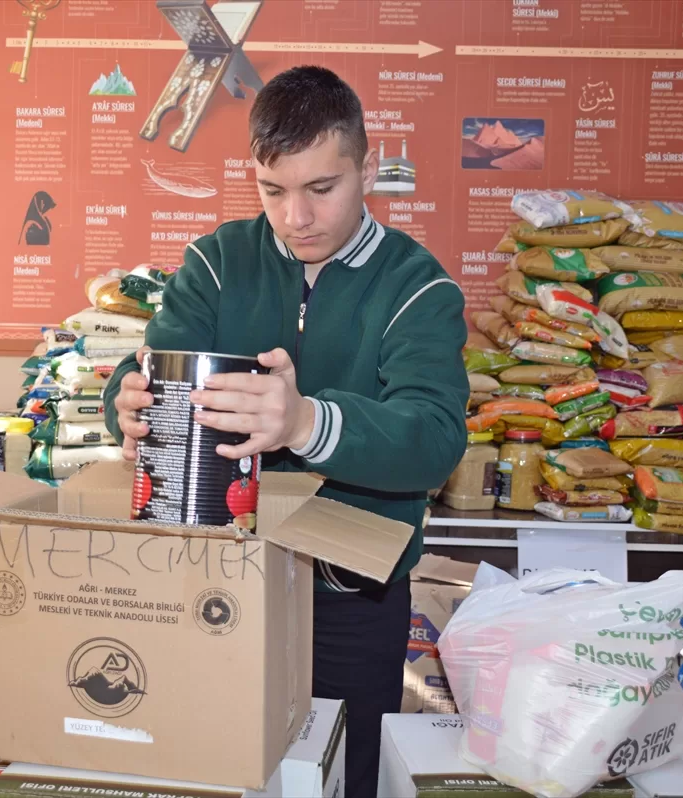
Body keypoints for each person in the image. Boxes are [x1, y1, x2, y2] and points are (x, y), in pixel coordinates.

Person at [103, 66, 468, 798]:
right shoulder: (216, 261)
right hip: (216, 579)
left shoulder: (418, 288)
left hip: (354, 596)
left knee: (344, 776)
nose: (295, 217)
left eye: (321, 189)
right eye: (274, 191)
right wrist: (131, 397)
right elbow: (153, 360)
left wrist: (305, 420)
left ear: (367, 168)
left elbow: (433, 440)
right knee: (212, 768)